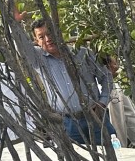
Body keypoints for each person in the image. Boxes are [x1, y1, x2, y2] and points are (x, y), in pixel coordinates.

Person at [15, 16, 115, 145]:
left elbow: (106, 77)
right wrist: (15, 23)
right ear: (37, 41)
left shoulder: (82, 53)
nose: (48, 39)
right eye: (41, 37)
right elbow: (22, 47)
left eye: (50, 33)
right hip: (68, 123)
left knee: (111, 152)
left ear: (59, 32)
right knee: (77, 156)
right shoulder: (38, 59)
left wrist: (102, 102)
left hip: (96, 117)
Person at [102, 54, 135, 147]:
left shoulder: (116, 86)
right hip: (116, 142)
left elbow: (130, 114)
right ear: (106, 67)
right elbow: (119, 120)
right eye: (114, 64)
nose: (117, 67)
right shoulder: (111, 90)